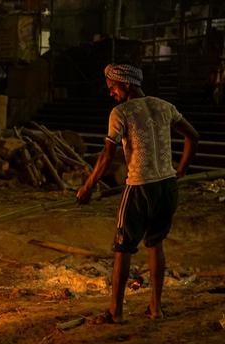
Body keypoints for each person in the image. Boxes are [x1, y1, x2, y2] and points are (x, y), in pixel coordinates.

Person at [76, 64, 199, 324]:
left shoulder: (121, 112)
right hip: (167, 186)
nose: (111, 94)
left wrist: (87, 187)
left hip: (140, 186)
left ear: (126, 84)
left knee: (123, 248)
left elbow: (107, 155)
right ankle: (156, 309)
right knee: (155, 244)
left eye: (113, 88)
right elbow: (193, 136)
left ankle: (115, 312)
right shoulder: (164, 106)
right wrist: (181, 169)